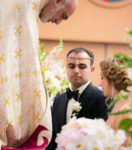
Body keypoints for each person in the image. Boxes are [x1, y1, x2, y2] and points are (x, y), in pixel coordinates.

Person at [0, 0, 78, 149]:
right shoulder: (24, 9)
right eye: (63, 15)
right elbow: (9, 66)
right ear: (58, 1)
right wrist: (9, 120)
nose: (59, 22)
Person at [47, 47, 108, 150]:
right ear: (66, 68)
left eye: (82, 66)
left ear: (91, 69)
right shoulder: (58, 100)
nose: (76, 70)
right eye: (71, 66)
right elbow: (53, 140)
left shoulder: (102, 100)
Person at [99, 59, 132, 147]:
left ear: (112, 81)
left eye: (102, 78)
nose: (100, 84)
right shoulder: (118, 105)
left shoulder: (126, 110)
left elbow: (126, 146)